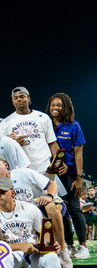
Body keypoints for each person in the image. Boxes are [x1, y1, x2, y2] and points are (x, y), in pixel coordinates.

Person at [0, 153, 73, 268]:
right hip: (24, 220)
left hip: (42, 208)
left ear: (6, 165)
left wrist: (49, 196)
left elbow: (51, 185)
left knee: (51, 206)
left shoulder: (23, 173)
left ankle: (63, 250)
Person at [46, 92, 89, 259]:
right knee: (59, 210)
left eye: (59, 105)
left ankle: (83, 245)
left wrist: (79, 177)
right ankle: (69, 245)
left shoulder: (73, 125)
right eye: (53, 105)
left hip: (69, 174)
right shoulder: (46, 124)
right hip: (50, 176)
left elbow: (78, 153)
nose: (55, 108)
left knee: (74, 209)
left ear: (65, 107)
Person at [0, 87, 58, 175]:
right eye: (16, 98)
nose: (19, 99)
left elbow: (52, 143)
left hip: (44, 168)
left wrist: (59, 162)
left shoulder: (43, 117)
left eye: (22, 96)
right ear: (12, 101)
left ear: (28, 98)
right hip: (21, 170)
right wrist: (13, 143)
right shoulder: (6, 122)